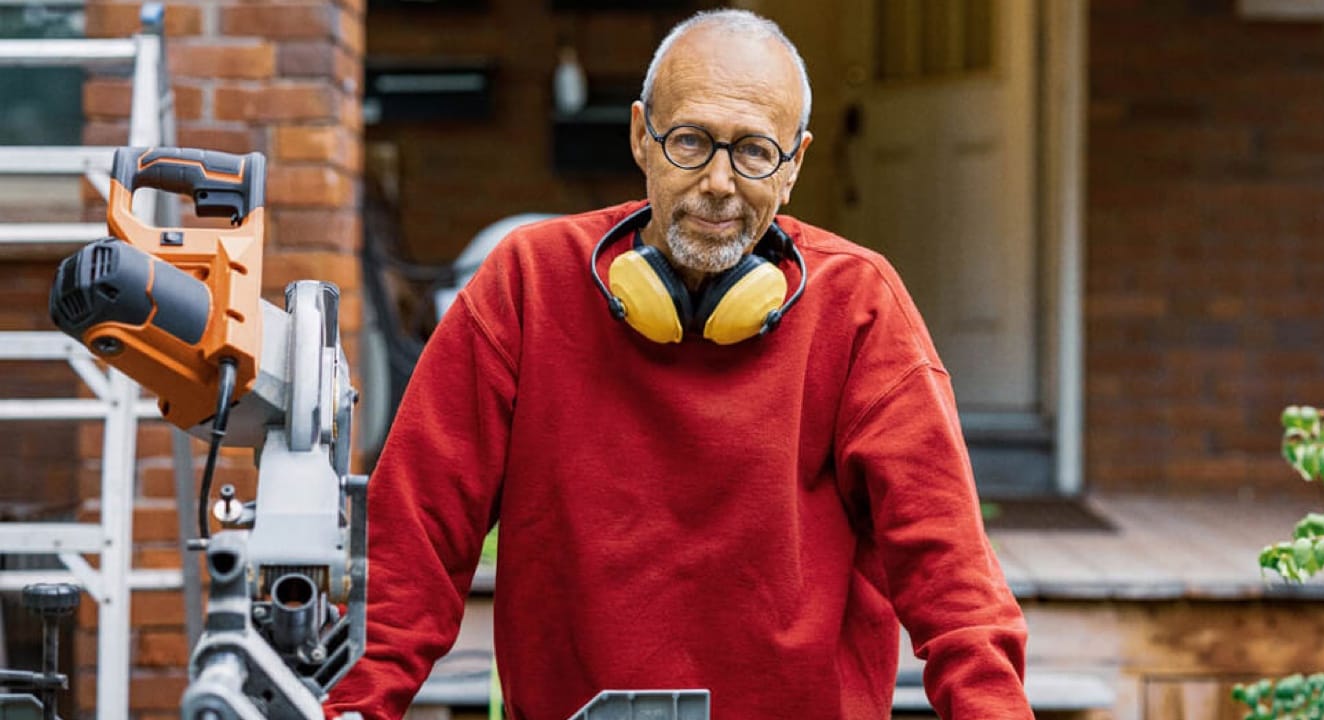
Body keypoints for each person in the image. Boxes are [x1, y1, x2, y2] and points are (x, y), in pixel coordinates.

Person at [326, 9, 1032, 719]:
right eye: (691, 141)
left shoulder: (860, 308)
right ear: (642, 137)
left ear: (795, 165)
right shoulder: (525, 284)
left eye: (754, 151)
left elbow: (954, 584)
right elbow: (407, 554)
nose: (720, 183)